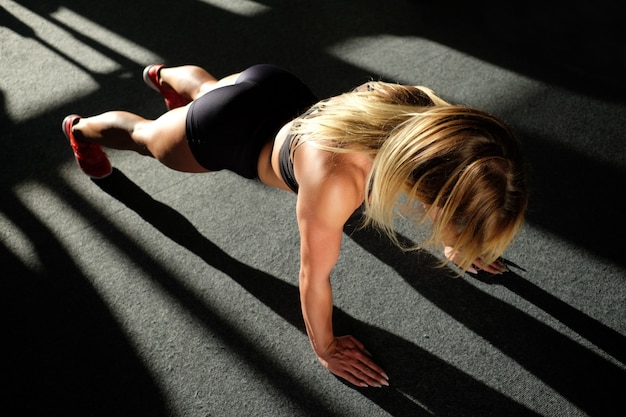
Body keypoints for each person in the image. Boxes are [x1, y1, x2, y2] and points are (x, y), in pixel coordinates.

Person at [62, 63, 528, 388]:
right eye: (451, 218)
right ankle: (80, 131)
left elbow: (447, 173)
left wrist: (459, 233)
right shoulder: (336, 182)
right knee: (146, 135)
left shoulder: (421, 114)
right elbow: (312, 275)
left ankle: (164, 75)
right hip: (225, 133)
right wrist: (325, 347)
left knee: (211, 89)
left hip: (272, 87)